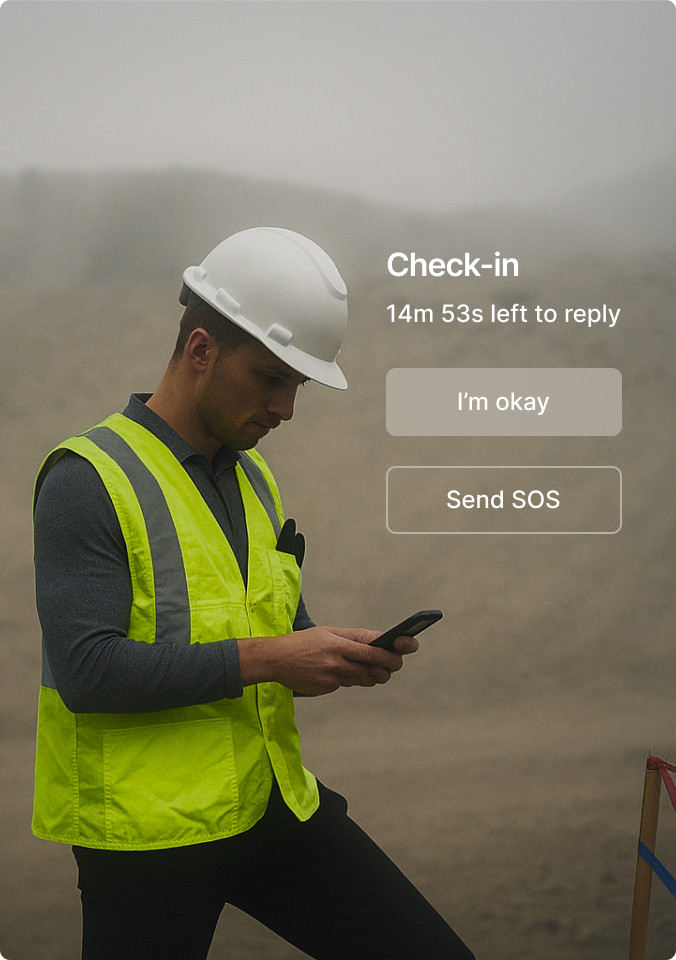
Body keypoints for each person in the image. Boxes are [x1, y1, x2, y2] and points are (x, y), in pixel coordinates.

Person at [32, 227, 475, 960]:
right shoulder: (87, 478)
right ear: (200, 351)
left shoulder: (251, 477)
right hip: (148, 840)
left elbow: (273, 632)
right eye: (272, 377)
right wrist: (275, 658)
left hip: (270, 805)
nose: (287, 408)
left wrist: (333, 653)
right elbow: (88, 672)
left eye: (297, 384)